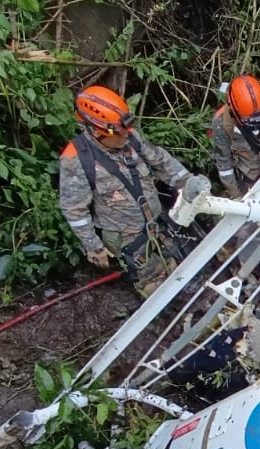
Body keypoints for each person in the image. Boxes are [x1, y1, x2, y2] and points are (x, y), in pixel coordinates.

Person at [58, 85, 207, 297]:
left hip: (157, 223)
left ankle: (193, 294)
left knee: (179, 262)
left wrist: (188, 182)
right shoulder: (76, 160)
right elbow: (74, 209)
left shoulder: (130, 137)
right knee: (155, 285)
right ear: (95, 130)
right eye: (118, 133)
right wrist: (94, 246)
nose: (125, 136)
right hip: (127, 238)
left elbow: (161, 162)